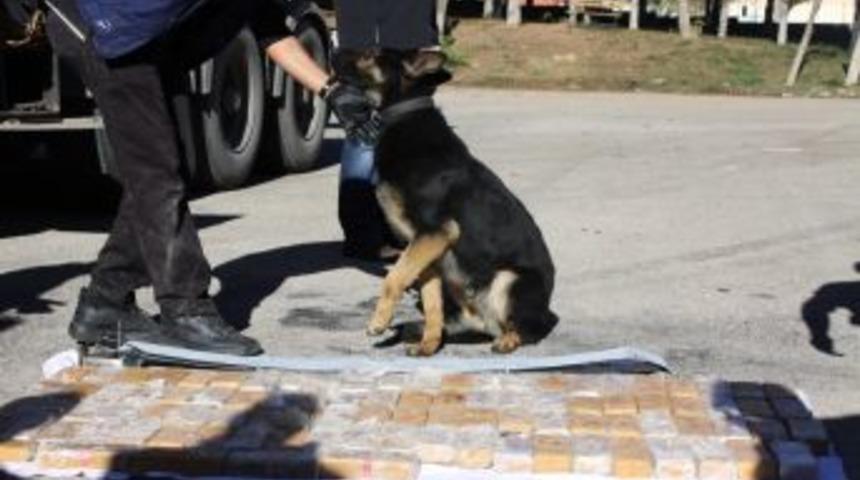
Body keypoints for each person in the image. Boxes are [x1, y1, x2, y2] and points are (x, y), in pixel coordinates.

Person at [44, 0, 379, 356]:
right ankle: (186, 309)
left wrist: (332, 90)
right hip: (106, 32)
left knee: (165, 171)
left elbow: (266, 24)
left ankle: (105, 301)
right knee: (156, 174)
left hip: (147, 42)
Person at [333, 0, 439, 262]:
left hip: (406, 36)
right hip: (375, 39)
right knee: (365, 136)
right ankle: (361, 236)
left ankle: (388, 228)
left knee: (398, 140)